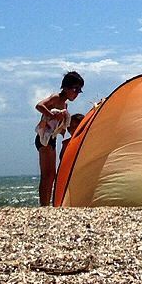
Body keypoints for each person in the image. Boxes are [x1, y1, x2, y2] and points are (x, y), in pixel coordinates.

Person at [35, 70, 84, 205]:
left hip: (51, 138)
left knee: (51, 175)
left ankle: (47, 204)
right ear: (66, 88)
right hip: (43, 137)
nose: (76, 93)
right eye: (75, 89)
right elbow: (39, 105)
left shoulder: (65, 104)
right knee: (47, 174)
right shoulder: (56, 98)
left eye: (79, 91)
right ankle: (44, 205)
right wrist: (51, 114)